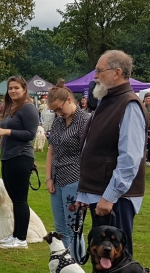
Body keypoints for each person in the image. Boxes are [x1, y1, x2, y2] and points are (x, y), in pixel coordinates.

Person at [69, 50, 145, 273]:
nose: (95, 75)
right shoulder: (107, 101)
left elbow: (129, 159)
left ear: (117, 72)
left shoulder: (129, 104)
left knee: (119, 258)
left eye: (99, 70)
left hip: (116, 196)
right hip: (98, 193)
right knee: (99, 253)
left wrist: (110, 195)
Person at [0, 76, 39, 249]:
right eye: (10, 88)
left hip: (20, 157)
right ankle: (15, 235)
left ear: (24, 89)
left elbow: (30, 134)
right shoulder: (12, 107)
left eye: (16, 88)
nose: (12, 91)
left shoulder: (28, 108)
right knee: (14, 199)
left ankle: (21, 238)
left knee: (20, 200)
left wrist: (6, 131)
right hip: (8, 156)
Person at [45, 84, 90, 251]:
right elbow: (51, 151)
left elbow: (89, 154)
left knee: (74, 228)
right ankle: (63, 269)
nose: (58, 113)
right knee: (61, 228)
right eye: (55, 111)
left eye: (59, 109)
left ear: (69, 100)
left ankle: (76, 269)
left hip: (75, 179)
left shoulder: (85, 121)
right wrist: (48, 178)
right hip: (57, 179)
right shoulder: (58, 122)